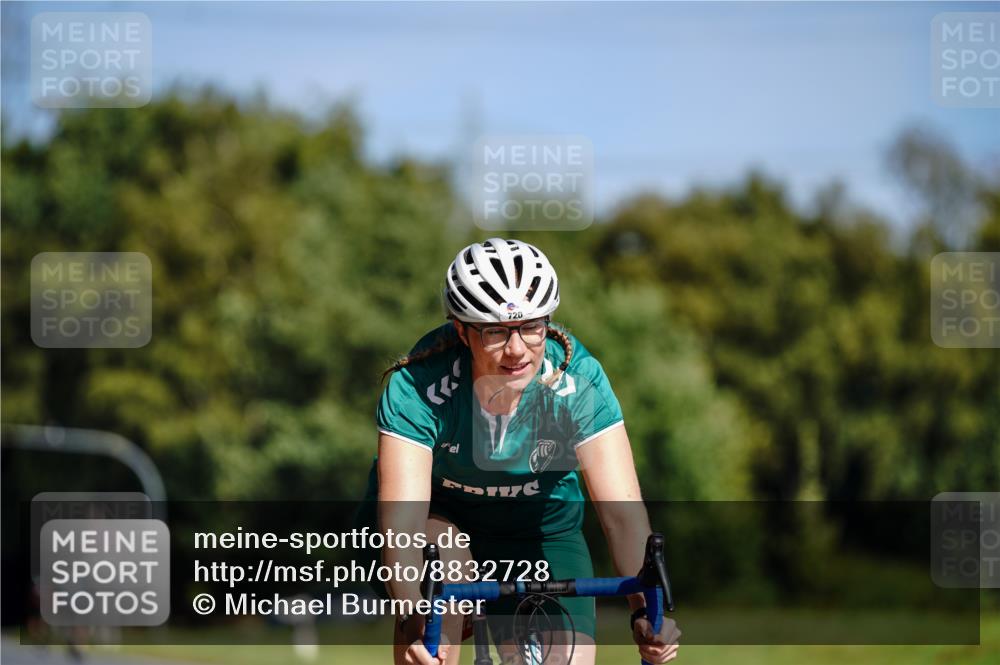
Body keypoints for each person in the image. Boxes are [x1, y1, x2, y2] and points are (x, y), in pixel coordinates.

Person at [361, 238, 681, 665]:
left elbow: (621, 514)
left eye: (531, 327)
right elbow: (403, 520)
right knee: (437, 625)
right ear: (462, 330)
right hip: (439, 523)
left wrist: (645, 611)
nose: (516, 350)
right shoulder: (418, 387)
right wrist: (416, 619)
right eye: (495, 331)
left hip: (541, 531)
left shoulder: (577, 382)